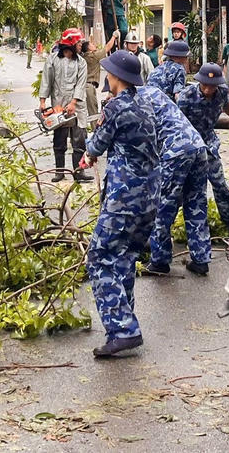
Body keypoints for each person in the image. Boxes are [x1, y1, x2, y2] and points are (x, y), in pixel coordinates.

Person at [79, 50, 160, 358]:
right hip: (150, 195)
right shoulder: (146, 102)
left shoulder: (115, 108)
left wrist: (89, 152)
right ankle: (124, 322)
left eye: (108, 74)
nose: (106, 78)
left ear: (116, 78)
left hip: (124, 197)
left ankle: (124, 329)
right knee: (124, 256)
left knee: (99, 258)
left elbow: (96, 144)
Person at [139, 84, 212, 277]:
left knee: (164, 205)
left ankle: (160, 261)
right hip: (197, 146)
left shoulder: (133, 101)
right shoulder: (154, 92)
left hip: (175, 151)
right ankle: (201, 259)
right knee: (196, 203)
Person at [178, 62, 229, 236]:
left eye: (213, 86)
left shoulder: (222, 92)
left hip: (209, 144)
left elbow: (226, 105)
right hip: (189, 146)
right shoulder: (186, 96)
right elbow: (177, 123)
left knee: (220, 184)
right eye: (205, 85)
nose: (209, 90)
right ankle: (163, 228)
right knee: (184, 189)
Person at [39, 28, 91, 183]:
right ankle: (59, 172)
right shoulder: (53, 59)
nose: (81, 45)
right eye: (79, 42)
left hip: (77, 107)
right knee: (59, 140)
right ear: (70, 43)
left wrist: (74, 102)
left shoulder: (81, 62)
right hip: (59, 105)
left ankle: (78, 172)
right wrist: (43, 101)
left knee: (79, 140)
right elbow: (46, 81)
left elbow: (81, 84)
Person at [81, 31, 117, 119]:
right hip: (89, 86)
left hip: (86, 86)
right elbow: (107, 48)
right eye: (92, 44)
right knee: (93, 111)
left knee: (90, 109)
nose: (94, 45)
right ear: (89, 48)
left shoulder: (84, 57)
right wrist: (114, 36)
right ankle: (95, 130)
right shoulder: (93, 56)